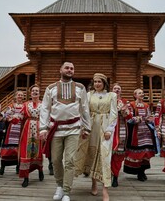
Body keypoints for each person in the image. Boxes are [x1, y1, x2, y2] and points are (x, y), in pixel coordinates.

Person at [39, 62, 91, 201]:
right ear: (60, 69)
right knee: (55, 160)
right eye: (67, 68)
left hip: (74, 129)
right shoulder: (51, 88)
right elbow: (45, 108)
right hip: (55, 130)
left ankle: (67, 191)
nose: (69, 70)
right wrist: (43, 128)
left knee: (70, 161)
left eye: (72, 68)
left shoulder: (80, 88)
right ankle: (59, 186)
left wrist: (86, 127)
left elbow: (85, 108)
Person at [83, 73, 117, 201]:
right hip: (92, 127)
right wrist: (85, 128)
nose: (97, 84)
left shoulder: (111, 96)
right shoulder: (89, 95)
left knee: (105, 157)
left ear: (104, 83)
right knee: (92, 154)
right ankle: (93, 182)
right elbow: (84, 112)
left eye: (99, 81)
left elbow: (114, 113)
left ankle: (105, 189)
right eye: (95, 81)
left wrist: (109, 130)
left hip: (105, 128)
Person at [123, 88, 156, 182]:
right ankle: (138, 172)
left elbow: (149, 116)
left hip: (146, 132)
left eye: (142, 92)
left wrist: (150, 119)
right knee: (138, 153)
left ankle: (142, 171)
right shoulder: (131, 105)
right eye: (140, 93)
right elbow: (129, 118)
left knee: (146, 152)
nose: (142, 94)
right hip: (136, 132)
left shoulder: (146, 105)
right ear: (135, 95)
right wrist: (140, 119)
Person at [19, 84, 44, 187]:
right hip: (27, 127)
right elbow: (20, 115)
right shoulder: (25, 104)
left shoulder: (43, 104)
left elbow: (47, 116)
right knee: (26, 151)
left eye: (37, 91)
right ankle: (26, 177)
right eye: (33, 90)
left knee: (37, 151)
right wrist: (15, 117)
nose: (35, 92)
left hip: (39, 128)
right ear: (30, 93)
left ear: (39, 93)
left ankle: (40, 170)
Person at [0, 91, 24, 175]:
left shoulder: (25, 106)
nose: (20, 96)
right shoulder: (11, 106)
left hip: (20, 128)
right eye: (18, 95)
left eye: (21, 95)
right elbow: (6, 116)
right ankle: (2, 168)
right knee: (7, 147)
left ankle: (18, 167)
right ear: (15, 96)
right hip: (11, 128)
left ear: (23, 97)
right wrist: (11, 118)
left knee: (19, 148)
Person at [109, 83, 128, 188]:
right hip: (108, 129)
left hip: (121, 129)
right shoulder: (107, 100)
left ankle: (115, 176)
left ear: (121, 91)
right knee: (107, 152)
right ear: (112, 90)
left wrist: (124, 111)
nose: (117, 90)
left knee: (118, 153)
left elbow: (129, 116)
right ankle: (107, 175)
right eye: (115, 88)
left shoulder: (125, 102)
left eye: (118, 89)